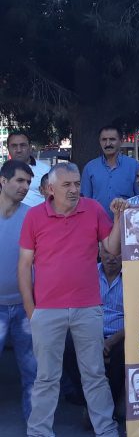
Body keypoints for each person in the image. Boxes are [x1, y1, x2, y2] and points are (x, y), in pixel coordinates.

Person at [19, 162, 123, 437]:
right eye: (67, 185)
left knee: (94, 374)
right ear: (50, 189)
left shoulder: (93, 209)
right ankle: (39, 432)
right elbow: (24, 265)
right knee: (46, 377)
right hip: (47, 309)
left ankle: (106, 429)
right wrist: (31, 310)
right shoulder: (34, 216)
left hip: (87, 306)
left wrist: (118, 218)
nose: (74, 189)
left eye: (77, 183)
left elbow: (112, 248)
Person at [62, 244, 126, 419]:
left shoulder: (132, 278)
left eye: (117, 253)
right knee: (67, 345)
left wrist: (111, 341)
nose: (111, 258)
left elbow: (137, 318)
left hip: (121, 335)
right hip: (91, 331)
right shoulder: (87, 274)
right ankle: (89, 403)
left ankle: (110, 404)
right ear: (99, 252)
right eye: (107, 252)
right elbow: (77, 309)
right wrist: (93, 338)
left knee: (123, 353)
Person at [0, 160, 36, 422]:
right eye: (20, 180)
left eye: (28, 182)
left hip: (26, 306)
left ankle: (36, 427)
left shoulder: (32, 216)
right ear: (3, 181)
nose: (25, 187)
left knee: (32, 371)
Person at [81, 125, 139, 215]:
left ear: (121, 141)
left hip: (125, 220)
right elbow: (85, 201)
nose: (108, 144)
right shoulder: (90, 168)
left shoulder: (134, 166)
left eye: (112, 139)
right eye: (104, 140)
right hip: (98, 221)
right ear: (100, 142)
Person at [6, 131, 50, 206]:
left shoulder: (46, 170)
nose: (19, 150)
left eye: (23, 145)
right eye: (14, 146)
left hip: (38, 213)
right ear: (8, 148)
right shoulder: (2, 172)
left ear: (30, 147)